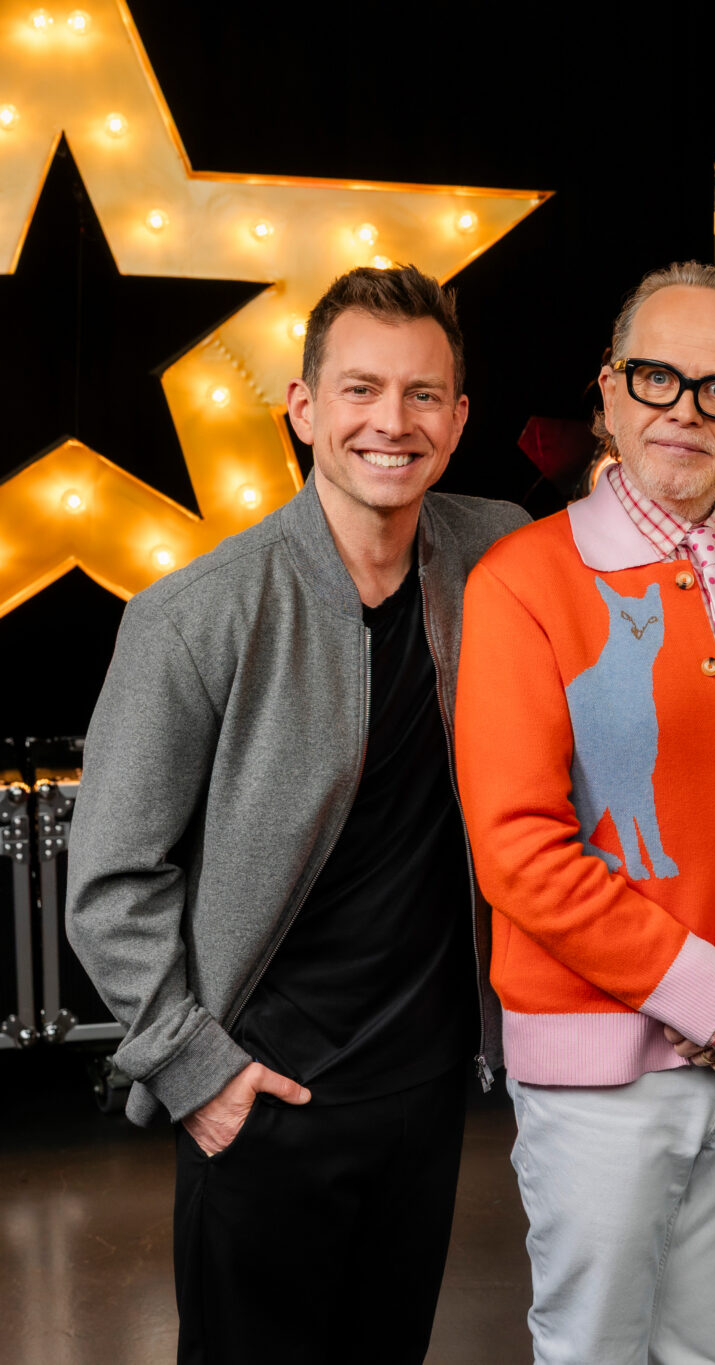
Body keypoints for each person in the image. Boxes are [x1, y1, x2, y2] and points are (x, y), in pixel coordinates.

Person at [64, 265, 527, 1365]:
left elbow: (631, 539)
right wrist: (198, 1073)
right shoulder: (195, 616)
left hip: (424, 1089)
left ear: (459, 419)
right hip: (264, 1094)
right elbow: (110, 879)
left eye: (423, 394)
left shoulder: (498, 553)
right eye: (361, 389)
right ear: (304, 408)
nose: (392, 422)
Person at [453, 263, 715, 1365]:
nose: (684, 411)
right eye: (656, 377)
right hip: (599, 1067)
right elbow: (518, 849)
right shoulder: (523, 581)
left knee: (702, 1348)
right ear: (607, 391)